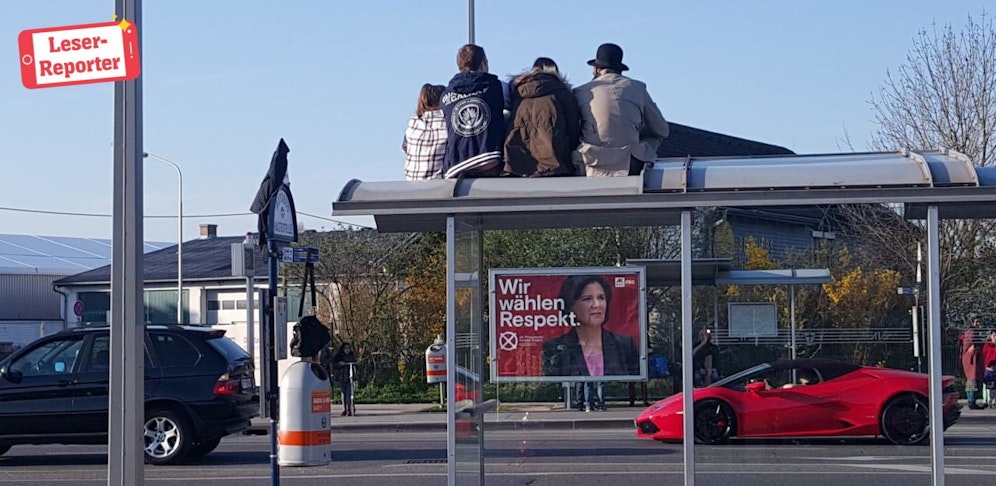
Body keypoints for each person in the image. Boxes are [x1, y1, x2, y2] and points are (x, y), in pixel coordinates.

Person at [542, 275, 640, 410]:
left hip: (602, 381)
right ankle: (586, 404)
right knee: (587, 383)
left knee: (600, 384)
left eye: (601, 298)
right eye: (587, 299)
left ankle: (600, 404)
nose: (597, 305)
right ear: (571, 306)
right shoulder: (555, 346)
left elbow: (633, 370)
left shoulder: (624, 344)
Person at [573, 43, 670, 177]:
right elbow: (662, 130)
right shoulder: (637, 88)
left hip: (591, 162)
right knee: (655, 138)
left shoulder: (580, 91)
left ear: (596, 69)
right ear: (620, 69)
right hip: (630, 162)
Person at [502, 57, 581, 177]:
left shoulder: (518, 93)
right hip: (555, 162)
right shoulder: (562, 94)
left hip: (517, 162)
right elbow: (574, 129)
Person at [440, 44, 507, 179]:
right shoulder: (497, 86)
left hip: (456, 163)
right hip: (488, 158)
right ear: (483, 64)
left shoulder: (445, 95)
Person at [402, 83, 448, 180]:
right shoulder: (448, 123)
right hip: (440, 184)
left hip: (412, 183)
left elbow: (405, 147)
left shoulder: (413, 122)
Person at [960, 314, 986, 409]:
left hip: (973, 359)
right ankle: (971, 401)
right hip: (971, 360)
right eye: (977, 322)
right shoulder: (971, 332)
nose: (978, 324)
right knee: (972, 380)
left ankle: (972, 401)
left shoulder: (971, 331)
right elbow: (973, 344)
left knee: (973, 380)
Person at [331, 342, 357, 416]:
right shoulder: (339, 356)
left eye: (348, 348)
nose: (347, 350)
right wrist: (339, 364)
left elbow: (356, 363)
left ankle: (350, 408)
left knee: (349, 393)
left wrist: (356, 363)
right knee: (343, 393)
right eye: (345, 348)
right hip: (342, 377)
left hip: (350, 377)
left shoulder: (352, 356)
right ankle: (345, 409)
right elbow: (334, 364)